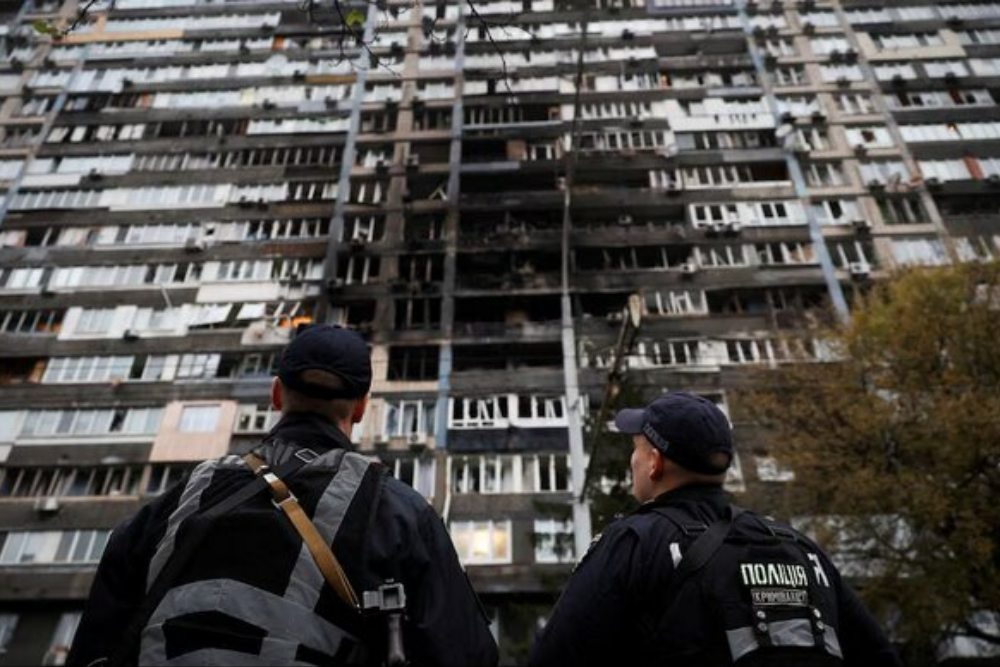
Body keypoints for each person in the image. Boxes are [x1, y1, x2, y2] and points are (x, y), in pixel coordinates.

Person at [67, 324, 499, 667]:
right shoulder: (398, 511)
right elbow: (467, 653)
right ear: (361, 407)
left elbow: (95, 644)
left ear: (276, 393)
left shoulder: (178, 500)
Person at [530, 391, 901, 667]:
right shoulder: (800, 547)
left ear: (654, 463)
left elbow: (555, 656)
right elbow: (879, 655)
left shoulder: (633, 543)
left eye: (636, 449)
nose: (633, 460)